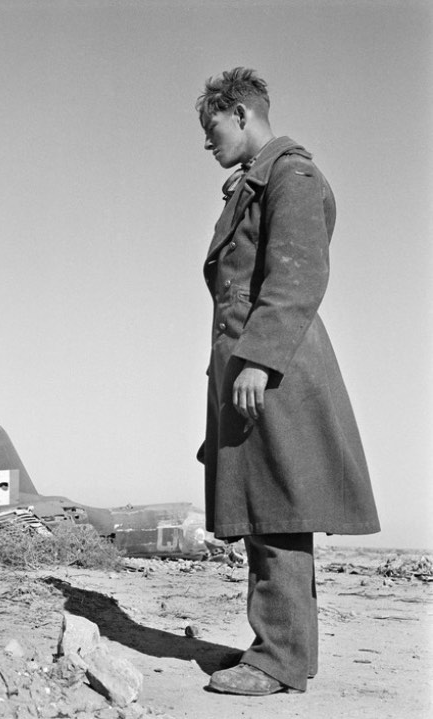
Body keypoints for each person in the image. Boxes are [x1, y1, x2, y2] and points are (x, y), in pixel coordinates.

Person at [195, 67, 380, 695]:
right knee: (264, 509)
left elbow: (298, 273)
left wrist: (257, 359)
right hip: (252, 368)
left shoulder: (290, 173)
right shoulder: (254, 182)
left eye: (211, 126)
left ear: (241, 113)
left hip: (273, 367)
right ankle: (282, 651)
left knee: (276, 509)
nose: (207, 142)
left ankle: (277, 659)